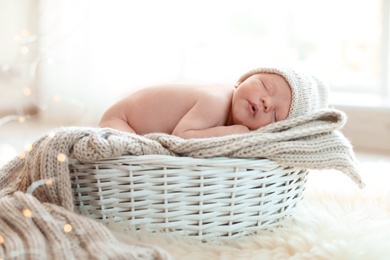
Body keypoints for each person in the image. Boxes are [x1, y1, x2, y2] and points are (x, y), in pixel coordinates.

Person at [99, 66, 329, 139]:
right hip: (121, 121)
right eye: (266, 87)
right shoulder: (216, 100)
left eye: (276, 116)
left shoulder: (225, 109)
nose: (266, 102)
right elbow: (183, 136)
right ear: (241, 80)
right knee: (134, 158)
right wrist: (236, 131)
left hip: (129, 121)